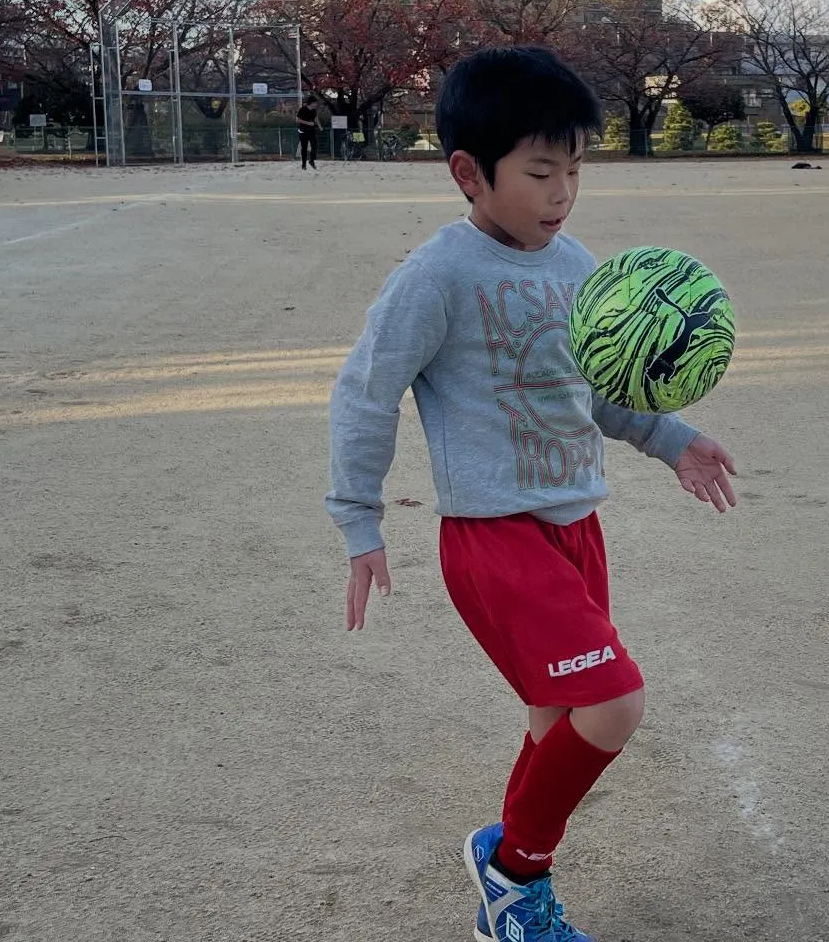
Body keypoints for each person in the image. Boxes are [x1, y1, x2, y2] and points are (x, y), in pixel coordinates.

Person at [325, 46, 739, 942]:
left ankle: (505, 870)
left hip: (576, 526)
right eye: (541, 172)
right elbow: (365, 391)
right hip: (495, 536)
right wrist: (359, 519)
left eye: (576, 170)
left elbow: (599, 389)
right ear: (469, 174)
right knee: (614, 702)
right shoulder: (438, 276)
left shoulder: (576, 265)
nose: (563, 194)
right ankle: (515, 875)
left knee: (557, 718)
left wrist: (673, 440)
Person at [296, 95, 319, 169]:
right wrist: (308, 123)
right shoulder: (303, 109)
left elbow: (316, 118)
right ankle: (304, 164)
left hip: (312, 130)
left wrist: (319, 126)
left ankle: (311, 160)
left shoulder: (314, 111)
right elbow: (298, 120)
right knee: (304, 147)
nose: (316, 104)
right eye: (315, 103)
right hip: (303, 131)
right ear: (311, 103)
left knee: (315, 145)